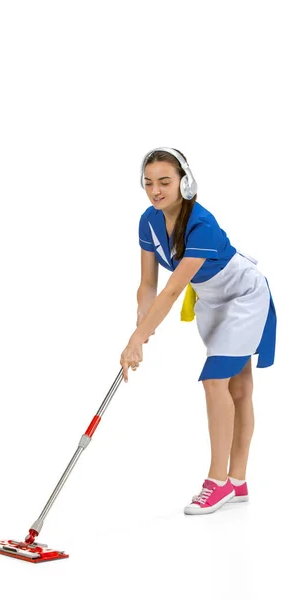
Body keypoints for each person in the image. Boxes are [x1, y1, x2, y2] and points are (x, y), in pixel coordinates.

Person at [119, 147, 277, 515]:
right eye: (148, 183)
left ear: (184, 182)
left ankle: (217, 482)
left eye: (165, 182)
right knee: (236, 387)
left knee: (215, 381)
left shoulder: (200, 223)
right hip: (211, 300)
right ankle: (238, 482)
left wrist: (137, 339)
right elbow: (149, 284)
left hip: (244, 296)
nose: (155, 190)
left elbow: (174, 289)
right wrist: (142, 318)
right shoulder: (148, 220)